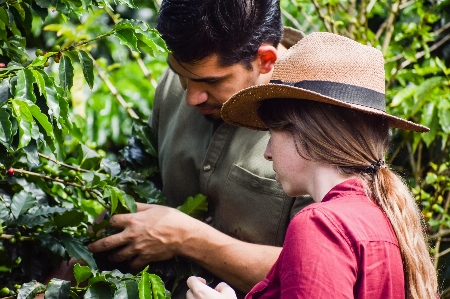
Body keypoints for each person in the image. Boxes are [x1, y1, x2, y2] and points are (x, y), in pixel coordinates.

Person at [185, 32, 438, 299]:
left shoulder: (321, 225)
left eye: (272, 134)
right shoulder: (381, 215)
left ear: (306, 133)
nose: (268, 153)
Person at [88, 0, 313, 297]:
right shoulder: (179, 82)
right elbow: (137, 180)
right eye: (181, 75)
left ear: (265, 61)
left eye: (211, 82)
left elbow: (313, 271)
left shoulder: (319, 122)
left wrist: (187, 238)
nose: (192, 97)